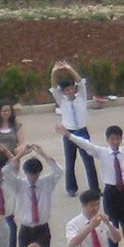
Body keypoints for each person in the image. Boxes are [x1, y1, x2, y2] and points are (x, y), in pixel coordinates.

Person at [49, 61, 97, 195]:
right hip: (68, 132)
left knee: (89, 160)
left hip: (82, 131)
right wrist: (54, 72)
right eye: (67, 90)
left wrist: (69, 69)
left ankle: (95, 188)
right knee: (70, 161)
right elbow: (53, 88)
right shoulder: (62, 100)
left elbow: (80, 82)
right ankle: (71, 188)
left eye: (71, 89)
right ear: (63, 92)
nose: (70, 91)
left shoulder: (81, 97)